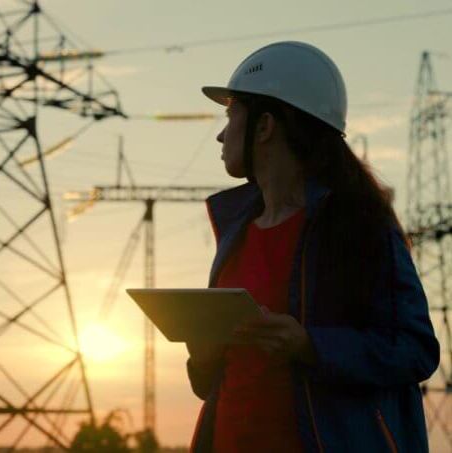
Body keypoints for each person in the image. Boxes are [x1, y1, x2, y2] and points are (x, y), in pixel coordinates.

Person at [186, 41, 440, 452]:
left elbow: (415, 350)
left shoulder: (360, 228)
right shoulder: (235, 231)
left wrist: (309, 345)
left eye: (231, 114)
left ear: (265, 126)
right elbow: (214, 383)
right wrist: (202, 357)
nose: (221, 132)